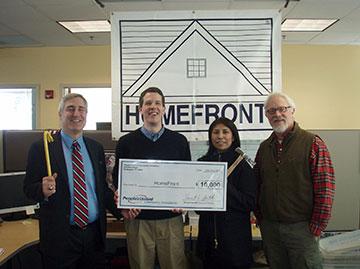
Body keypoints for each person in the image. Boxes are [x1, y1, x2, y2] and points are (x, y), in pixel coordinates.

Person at [24, 93, 121, 269]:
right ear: (60, 114)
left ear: (86, 115)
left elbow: (100, 190)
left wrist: (122, 208)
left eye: (81, 109)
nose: (76, 114)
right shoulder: (42, 148)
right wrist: (42, 190)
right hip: (59, 238)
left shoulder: (95, 148)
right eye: (70, 109)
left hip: (94, 236)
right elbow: (28, 188)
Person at [112, 87, 191, 269]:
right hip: (138, 221)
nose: (152, 107)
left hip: (171, 219)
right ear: (140, 109)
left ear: (164, 109)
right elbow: (119, 180)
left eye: (157, 103)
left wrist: (185, 200)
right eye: (148, 103)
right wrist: (123, 200)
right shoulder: (126, 142)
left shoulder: (179, 141)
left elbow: (186, 179)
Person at [254, 92, 336, 269]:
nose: (277, 114)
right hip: (271, 230)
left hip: (302, 229)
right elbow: (258, 185)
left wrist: (316, 227)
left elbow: (326, 188)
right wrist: (262, 219)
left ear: (292, 111)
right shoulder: (264, 148)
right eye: (271, 111)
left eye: (282, 109)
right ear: (266, 115)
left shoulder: (313, 143)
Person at [196, 117, 257, 269]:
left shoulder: (243, 166)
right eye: (215, 132)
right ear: (210, 136)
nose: (220, 136)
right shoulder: (201, 164)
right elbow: (197, 206)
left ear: (233, 136)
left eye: (225, 132)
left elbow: (249, 203)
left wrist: (225, 186)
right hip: (208, 241)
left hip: (235, 244)